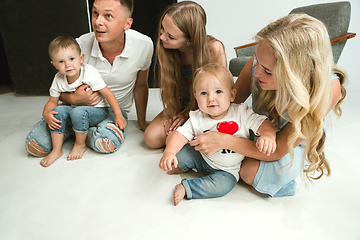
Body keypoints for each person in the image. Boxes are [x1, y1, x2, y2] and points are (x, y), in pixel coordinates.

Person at [177, 14, 347, 198]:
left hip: (289, 142)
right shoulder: (262, 61)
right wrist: (195, 120)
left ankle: (285, 182)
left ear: (294, 74)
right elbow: (232, 101)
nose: (256, 73)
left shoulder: (328, 89)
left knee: (247, 171)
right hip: (261, 130)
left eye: (267, 71)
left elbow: (281, 147)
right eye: (257, 60)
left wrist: (224, 141)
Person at [26, 0, 153, 156]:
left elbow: (140, 85)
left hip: (113, 112)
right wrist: (73, 100)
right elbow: (60, 87)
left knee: (106, 143)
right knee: (36, 146)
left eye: (108, 16)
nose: (98, 22)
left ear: (127, 24)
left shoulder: (144, 45)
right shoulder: (80, 45)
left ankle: (78, 133)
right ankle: (75, 129)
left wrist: (142, 122)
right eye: (95, 13)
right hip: (75, 109)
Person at [159, 63, 277, 205]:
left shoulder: (241, 113)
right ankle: (182, 166)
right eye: (204, 93)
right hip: (201, 157)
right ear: (196, 96)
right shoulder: (197, 116)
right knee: (181, 154)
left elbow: (263, 123)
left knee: (223, 186)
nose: (211, 98)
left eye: (219, 92)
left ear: (232, 95)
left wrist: (268, 136)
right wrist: (169, 152)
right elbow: (181, 134)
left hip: (226, 170)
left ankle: (186, 187)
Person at [144, 1, 226, 149]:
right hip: (181, 105)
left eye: (171, 36)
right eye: (162, 29)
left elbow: (220, 94)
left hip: (208, 107)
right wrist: (178, 111)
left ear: (190, 41)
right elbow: (172, 91)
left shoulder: (214, 48)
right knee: (152, 138)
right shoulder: (167, 49)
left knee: (175, 142)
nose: (162, 37)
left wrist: (189, 114)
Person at [40, 36, 127, 167]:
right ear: (55, 65)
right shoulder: (58, 78)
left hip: (98, 111)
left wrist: (118, 115)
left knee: (78, 112)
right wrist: (46, 113)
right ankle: (56, 150)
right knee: (57, 110)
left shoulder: (88, 73)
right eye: (61, 62)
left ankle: (80, 145)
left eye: (71, 59)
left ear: (81, 58)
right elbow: (52, 101)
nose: (68, 65)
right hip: (76, 109)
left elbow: (107, 94)